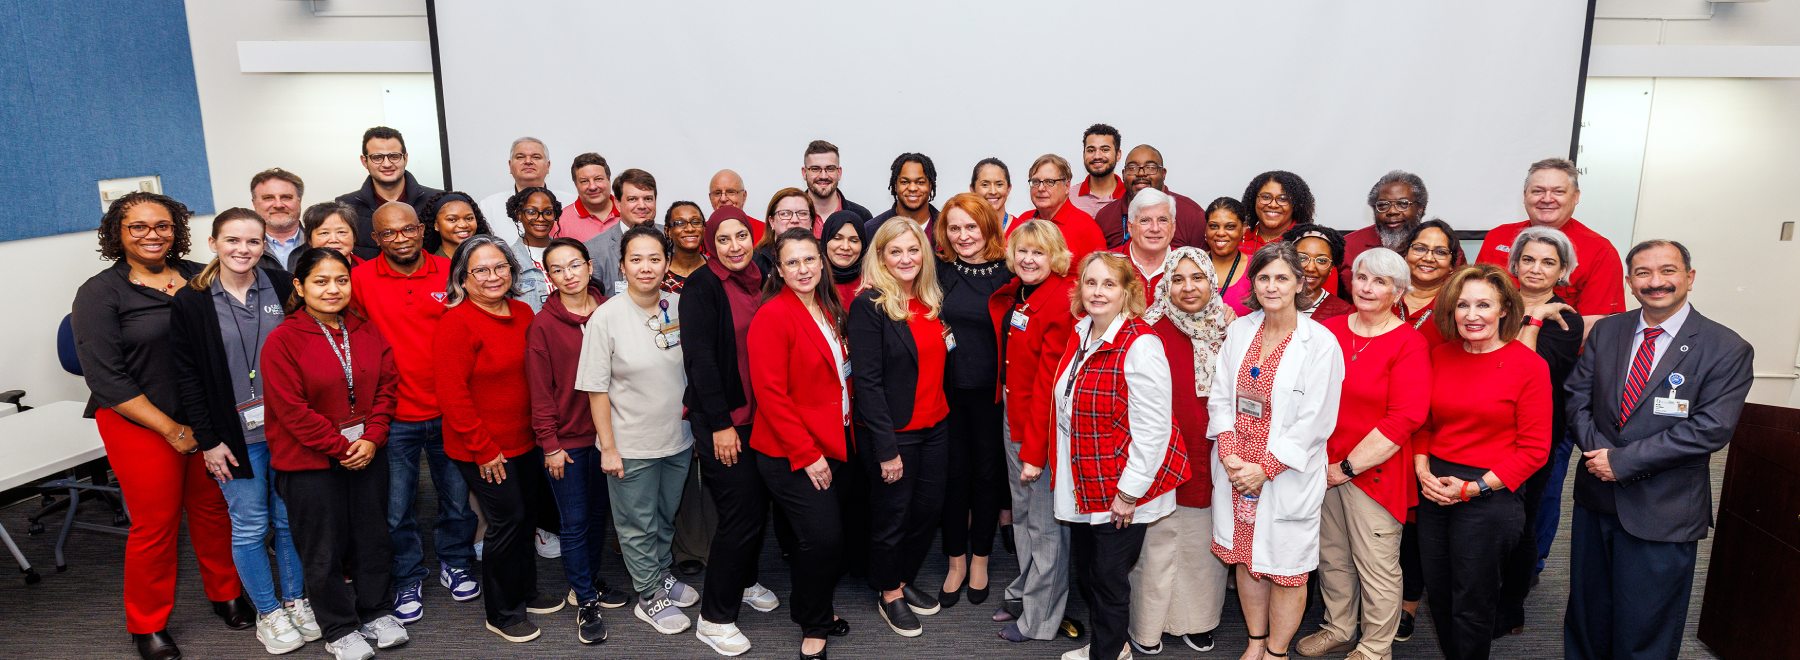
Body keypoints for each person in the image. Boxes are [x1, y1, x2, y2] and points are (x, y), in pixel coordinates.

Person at [72, 192, 252, 660]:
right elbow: (105, 376)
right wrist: (172, 430)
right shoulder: (100, 292)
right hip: (139, 421)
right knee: (156, 524)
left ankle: (226, 594)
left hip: (205, 418)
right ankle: (147, 623)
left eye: (163, 226)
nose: (153, 235)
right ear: (118, 233)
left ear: (177, 231)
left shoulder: (198, 275)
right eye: (138, 227)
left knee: (215, 511)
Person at [1564, 241, 1753, 660]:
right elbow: (1576, 396)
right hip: (1596, 498)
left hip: (1663, 508)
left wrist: (1623, 461)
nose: (1656, 282)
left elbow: (1710, 429)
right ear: (1630, 282)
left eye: (1667, 271)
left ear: (1689, 277)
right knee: (1587, 616)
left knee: (1645, 626)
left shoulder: (1726, 347)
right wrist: (1601, 456)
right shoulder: (1609, 331)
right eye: (1643, 273)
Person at [169, 208, 315, 654]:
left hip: (286, 430)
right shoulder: (191, 301)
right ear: (212, 243)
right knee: (250, 525)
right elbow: (187, 376)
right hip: (233, 437)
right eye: (232, 240)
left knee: (290, 521)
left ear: (264, 246)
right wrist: (209, 441)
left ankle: (296, 600)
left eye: (253, 242)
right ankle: (268, 612)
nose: (243, 250)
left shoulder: (277, 287)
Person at [1040, 251, 1192, 660]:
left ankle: (1106, 655)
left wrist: (1129, 493)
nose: (1098, 291)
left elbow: (1154, 430)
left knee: (1108, 580)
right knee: (1093, 573)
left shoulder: (1141, 345)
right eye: (1091, 283)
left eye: (1109, 284)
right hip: (1087, 476)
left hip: (1122, 486)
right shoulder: (1084, 332)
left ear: (1128, 292)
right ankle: (1113, 645)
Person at [263, 247, 410, 660]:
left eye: (341, 280)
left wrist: (374, 437)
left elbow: (387, 387)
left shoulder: (365, 329)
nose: (333, 289)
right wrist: (343, 446)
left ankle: (376, 611)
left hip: (367, 453)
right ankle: (339, 627)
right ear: (299, 286)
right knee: (322, 547)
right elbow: (291, 411)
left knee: (372, 537)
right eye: (321, 281)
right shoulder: (283, 340)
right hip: (310, 462)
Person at [1209, 242, 1345, 660]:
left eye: (1282, 277)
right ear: (1253, 283)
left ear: (1300, 283)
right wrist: (1230, 450)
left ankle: (1277, 650)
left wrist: (1264, 468)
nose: (1272, 286)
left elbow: (1317, 420)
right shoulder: (1240, 330)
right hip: (1236, 471)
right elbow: (1220, 395)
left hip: (1282, 472)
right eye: (1264, 277)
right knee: (1247, 559)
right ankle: (1254, 641)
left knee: (1286, 569)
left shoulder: (1320, 342)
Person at [1292, 248, 1430, 660]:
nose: (1368, 288)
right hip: (1320, 464)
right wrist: (1322, 465)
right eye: (1363, 277)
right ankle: (1338, 626)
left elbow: (1403, 419)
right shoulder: (1327, 329)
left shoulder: (1409, 343)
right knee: (1331, 555)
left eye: (1381, 281)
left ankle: (1374, 648)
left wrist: (1347, 468)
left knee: (1377, 564)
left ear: (1398, 291)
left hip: (1374, 471)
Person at [349, 202, 480, 624]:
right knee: (396, 508)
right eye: (389, 233)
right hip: (393, 416)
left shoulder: (449, 271)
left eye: (408, 230)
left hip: (449, 410)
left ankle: (456, 562)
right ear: (376, 238)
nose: (400, 239)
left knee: (457, 501)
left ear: (422, 230)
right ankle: (407, 575)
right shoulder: (360, 278)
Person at [1413, 263, 1550, 660]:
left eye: (1483, 305)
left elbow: (1535, 449)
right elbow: (1423, 424)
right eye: (1463, 305)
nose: (1472, 315)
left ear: (1505, 309)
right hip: (1435, 485)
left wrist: (1474, 488)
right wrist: (1423, 471)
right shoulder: (1440, 355)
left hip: (1491, 491)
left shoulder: (1528, 365)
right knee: (1438, 592)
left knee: (1472, 600)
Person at [569, 225, 701, 635]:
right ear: (623, 264)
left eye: (655, 258)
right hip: (630, 444)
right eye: (636, 259)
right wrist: (608, 448)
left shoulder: (680, 305)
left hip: (677, 439)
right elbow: (596, 389)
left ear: (667, 262)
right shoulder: (606, 316)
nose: (646, 267)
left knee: (664, 518)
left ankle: (660, 574)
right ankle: (649, 595)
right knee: (636, 524)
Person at [435, 235, 563, 642]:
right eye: (481, 270)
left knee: (524, 517)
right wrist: (485, 449)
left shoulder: (524, 312)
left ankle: (524, 590)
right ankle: (502, 612)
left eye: (500, 267)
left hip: (525, 441)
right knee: (506, 523)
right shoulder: (456, 322)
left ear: (512, 270)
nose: (492, 277)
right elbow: (452, 396)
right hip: (483, 448)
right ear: (463, 277)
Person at [748, 228, 855, 660]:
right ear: (778, 268)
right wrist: (808, 454)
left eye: (809, 259)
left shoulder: (830, 306)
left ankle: (818, 610)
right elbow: (771, 395)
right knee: (822, 539)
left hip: (835, 440)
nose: (803, 269)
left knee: (824, 537)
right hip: (790, 451)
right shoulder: (773, 316)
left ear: (822, 261)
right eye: (791, 262)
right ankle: (813, 624)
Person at [682, 206, 782, 656]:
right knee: (738, 516)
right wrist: (722, 426)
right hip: (725, 422)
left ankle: (742, 581)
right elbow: (700, 363)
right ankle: (714, 618)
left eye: (741, 235)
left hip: (764, 418)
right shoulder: (703, 286)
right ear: (710, 244)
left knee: (755, 508)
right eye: (723, 239)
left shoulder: (763, 275)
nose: (734, 246)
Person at [1127, 247, 1235, 656]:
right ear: (1165, 284)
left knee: (1201, 541)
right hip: (1160, 450)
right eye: (1178, 278)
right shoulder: (1145, 329)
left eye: (1198, 278)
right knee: (1155, 545)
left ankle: (1199, 620)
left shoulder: (1232, 328)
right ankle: (1148, 625)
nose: (1188, 287)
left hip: (1211, 452)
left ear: (1211, 281)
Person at [525, 238, 632, 645]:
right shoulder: (543, 326)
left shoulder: (612, 312)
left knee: (599, 517)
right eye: (558, 269)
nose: (569, 274)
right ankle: (584, 599)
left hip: (611, 436)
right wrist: (550, 444)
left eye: (575, 265)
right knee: (573, 523)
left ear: (590, 267)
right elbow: (540, 393)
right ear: (549, 277)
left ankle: (590, 580)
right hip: (567, 442)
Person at [849, 218, 952, 637]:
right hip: (897, 433)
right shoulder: (869, 304)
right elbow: (868, 385)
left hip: (936, 425)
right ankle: (889, 591)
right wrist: (887, 448)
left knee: (927, 511)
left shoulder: (929, 299)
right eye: (896, 251)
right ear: (881, 257)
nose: (906, 258)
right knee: (893, 516)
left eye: (913, 250)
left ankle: (903, 579)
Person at [989, 219, 1082, 645]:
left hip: (1039, 423)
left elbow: (1049, 383)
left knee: (1045, 525)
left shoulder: (1061, 299)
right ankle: (1027, 592)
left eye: (1039, 252)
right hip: (1015, 412)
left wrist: (1035, 449)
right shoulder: (1026, 293)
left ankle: (1041, 619)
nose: (1028, 259)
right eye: (1023, 251)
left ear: (1056, 256)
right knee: (1024, 514)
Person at [1495, 227, 1585, 637]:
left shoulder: (1566, 317)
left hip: (1534, 434)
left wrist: (1531, 319)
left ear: (1562, 270)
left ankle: (1511, 607)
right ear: (1514, 264)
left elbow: (1529, 372)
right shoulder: (1493, 302)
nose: (1536, 268)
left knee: (1522, 520)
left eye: (1548, 262)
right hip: (1486, 425)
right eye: (1528, 259)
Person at [931, 194, 1013, 611]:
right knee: (952, 478)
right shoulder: (936, 273)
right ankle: (956, 562)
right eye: (955, 227)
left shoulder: (1011, 274)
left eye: (971, 227)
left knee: (986, 479)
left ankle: (980, 559)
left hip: (991, 398)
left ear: (988, 228)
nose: (963, 236)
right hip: (943, 398)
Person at [1477, 158, 1626, 326]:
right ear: (1525, 195)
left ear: (1576, 197)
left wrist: (1529, 345)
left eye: (1558, 192)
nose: (1547, 199)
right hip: (1490, 343)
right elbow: (1474, 297)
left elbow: (1597, 323)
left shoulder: (1600, 250)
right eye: (1538, 191)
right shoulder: (1497, 237)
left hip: (1558, 348)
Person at [335, 126, 442, 260]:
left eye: (394, 156)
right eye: (377, 157)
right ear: (364, 161)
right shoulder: (345, 206)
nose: (386, 164)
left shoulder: (436, 201)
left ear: (405, 158)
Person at [1090, 145, 1208, 249]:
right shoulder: (1105, 216)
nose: (1141, 173)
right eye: (1132, 168)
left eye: (1151, 167)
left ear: (1163, 174)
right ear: (1123, 174)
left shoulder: (1192, 214)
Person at [1010, 154, 1106, 263]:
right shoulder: (1024, 220)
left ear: (1067, 186)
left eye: (1050, 182)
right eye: (1036, 182)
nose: (1041, 188)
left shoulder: (1086, 227)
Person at [479, 137, 574, 246]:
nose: (528, 161)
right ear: (510, 166)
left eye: (536, 157)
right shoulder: (488, 206)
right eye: (520, 157)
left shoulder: (570, 202)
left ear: (548, 166)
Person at [1341, 171, 1428, 290]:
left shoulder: (1442, 248)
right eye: (1383, 205)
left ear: (1420, 209)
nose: (1392, 211)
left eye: (1403, 204)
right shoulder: (1347, 247)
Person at [583, 168, 660, 296]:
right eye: (632, 199)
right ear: (618, 204)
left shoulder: (672, 239)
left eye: (648, 199)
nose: (642, 206)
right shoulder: (594, 250)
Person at [1397, 218, 1465, 347]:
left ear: (1452, 264)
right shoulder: (1382, 295)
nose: (1428, 258)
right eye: (1420, 249)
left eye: (1440, 252)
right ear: (1405, 254)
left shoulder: (1458, 305)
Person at [1114, 188, 1177, 301]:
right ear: (1130, 227)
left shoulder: (1188, 265)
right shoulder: (1107, 264)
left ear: (1173, 227)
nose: (1155, 228)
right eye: (1145, 220)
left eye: (1162, 220)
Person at [505, 186, 561, 311]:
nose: (541, 218)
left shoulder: (568, 252)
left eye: (548, 212)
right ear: (519, 214)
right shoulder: (507, 259)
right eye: (531, 212)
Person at [1284, 225, 1354, 321]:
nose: (1310, 268)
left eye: (1321, 260)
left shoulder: (1344, 312)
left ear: (1331, 268)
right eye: (1302, 258)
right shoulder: (1270, 299)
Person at [801, 139, 874, 225]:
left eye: (830, 169)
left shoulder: (861, 216)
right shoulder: (790, 218)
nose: (823, 176)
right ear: (804, 173)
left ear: (839, 173)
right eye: (815, 169)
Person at [866, 153, 940, 235]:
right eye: (904, 182)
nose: (912, 188)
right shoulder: (873, 229)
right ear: (895, 186)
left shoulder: (947, 226)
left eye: (920, 182)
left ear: (930, 186)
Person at [1205, 197, 1254, 315]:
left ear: (1243, 229)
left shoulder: (1256, 267)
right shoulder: (1192, 263)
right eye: (1214, 226)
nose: (1221, 233)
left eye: (1230, 227)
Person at [753, 188, 821, 274]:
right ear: (772, 221)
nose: (795, 220)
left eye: (802, 213)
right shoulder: (755, 261)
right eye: (785, 213)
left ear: (811, 221)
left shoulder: (823, 255)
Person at [557, 152, 620, 244]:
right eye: (584, 181)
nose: (592, 187)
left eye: (598, 179)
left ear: (609, 179)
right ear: (575, 185)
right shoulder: (560, 221)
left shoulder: (629, 212)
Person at [251, 168, 307, 269]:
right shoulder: (240, 251)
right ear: (254, 203)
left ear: (300, 200)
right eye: (268, 198)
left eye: (286, 197)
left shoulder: (320, 243)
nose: (278, 205)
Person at [289, 202, 363, 272]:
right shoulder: (298, 272)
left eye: (341, 232)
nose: (333, 240)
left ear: (354, 237)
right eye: (324, 233)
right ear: (309, 240)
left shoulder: (368, 271)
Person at [421, 191, 493, 261]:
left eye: (469, 218)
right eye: (452, 220)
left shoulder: (490, 258)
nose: (463, 225)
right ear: (436, 225)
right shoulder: (431, 265)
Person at [1071, 123, 1124, 218]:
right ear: (1084, 154)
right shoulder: (1068, 197)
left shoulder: (1129, 196)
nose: (1097, 156)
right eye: (1091, 150)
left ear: (1118, 154)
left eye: (1105, 150)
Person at [822, 210, 870, 304]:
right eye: (837, 238)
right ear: (826, 240)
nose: (845, 247)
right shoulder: (812, 279)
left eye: (854, 240)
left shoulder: (871, 281)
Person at [663, 201, 709, 292]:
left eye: (696, 222)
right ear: (668, 231)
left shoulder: (716, 270)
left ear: (704, 229)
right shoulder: (659, 271)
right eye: (680, 223)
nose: (690, 229)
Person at [970, 157, 1014, 230]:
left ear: (1008, 188)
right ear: (972, 189)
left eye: (999, 184)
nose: (993, 192)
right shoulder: (964, 232)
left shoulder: (1022, 230)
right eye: (985, 185)